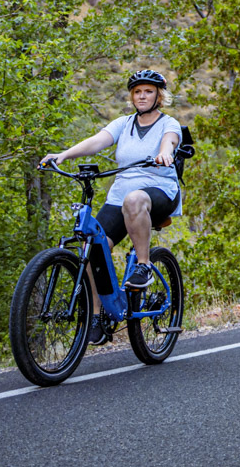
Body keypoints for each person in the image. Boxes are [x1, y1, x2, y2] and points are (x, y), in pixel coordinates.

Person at [39, 70, 183, 320]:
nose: (142, 96)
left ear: (159, 96)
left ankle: (143, 265)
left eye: (148, 91)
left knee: (134, 199)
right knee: (94, 245)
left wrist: (165, 153)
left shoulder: (167, 124)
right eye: (137, 92)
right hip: (121, 194)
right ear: (131, 96)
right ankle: (96, 314)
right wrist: (63, 155)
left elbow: (169, 141)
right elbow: (96, 142)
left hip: (159, 190)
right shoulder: (123, 124)